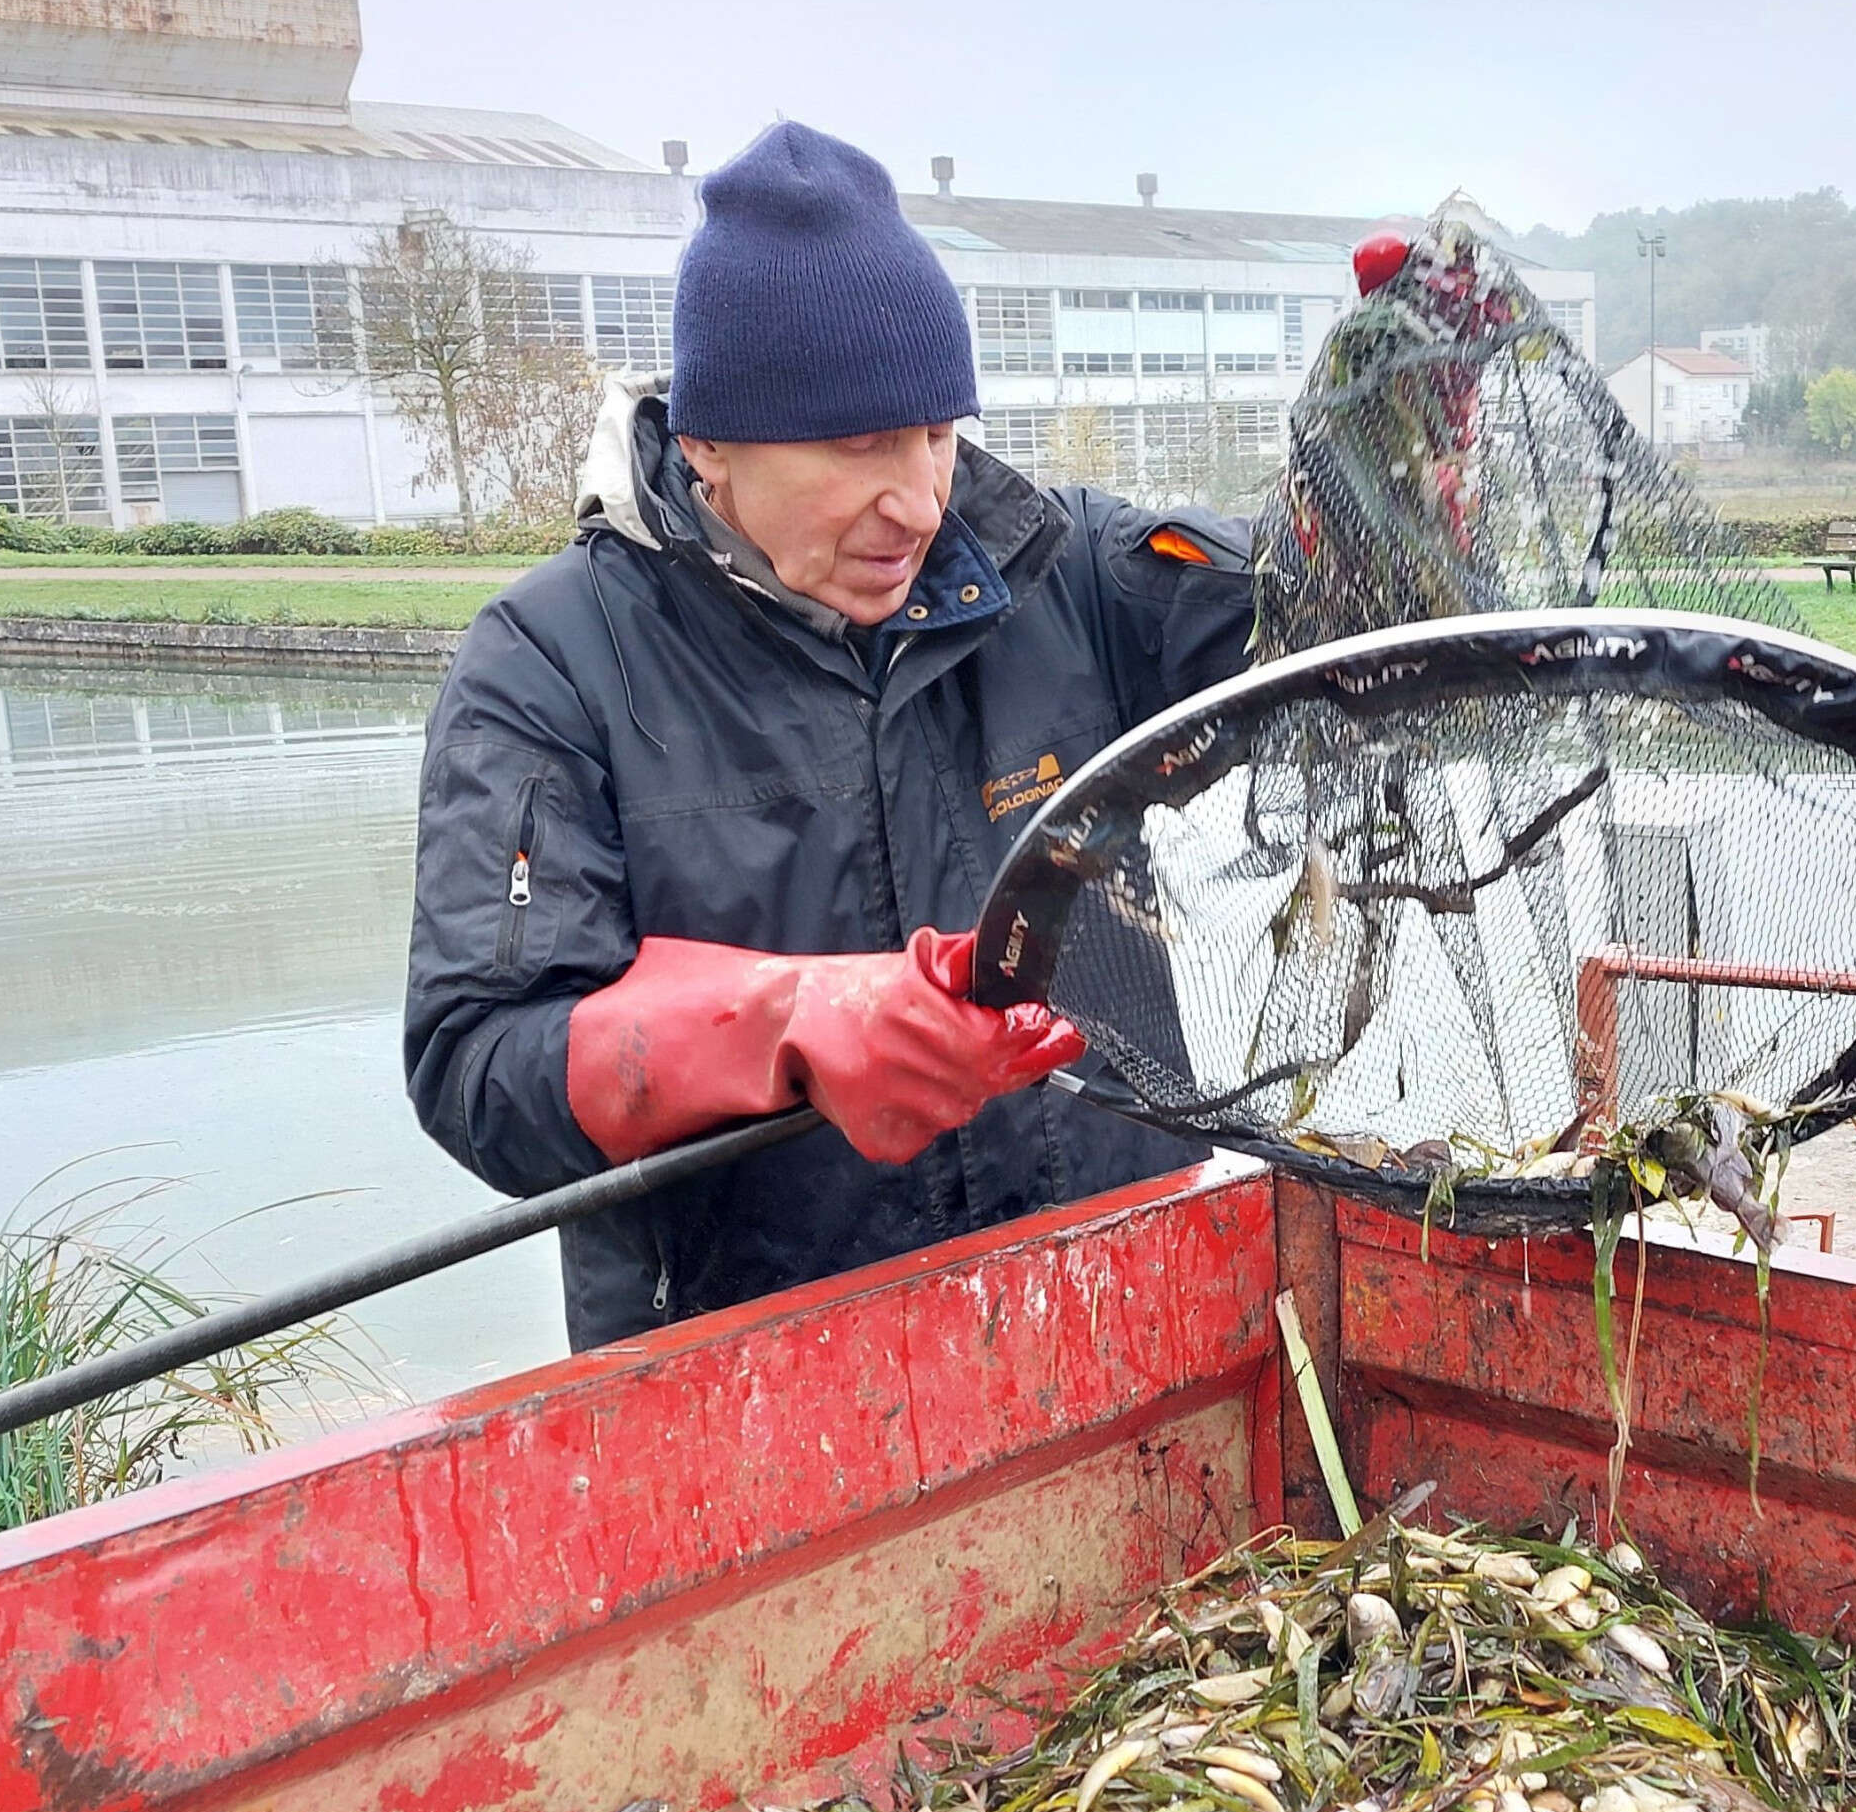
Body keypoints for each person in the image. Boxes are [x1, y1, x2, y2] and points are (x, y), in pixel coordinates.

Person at [403, 120, 1256, 1351]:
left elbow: (1305, 623)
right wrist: (785, 1024)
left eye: (934, 432)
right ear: (708, 444)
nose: (915, 499)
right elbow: (482, 1076)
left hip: (1118, 1321)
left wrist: (1386, 478)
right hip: (758, 1389)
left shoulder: (1070, 572)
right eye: (858, 444)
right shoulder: (547, 665)